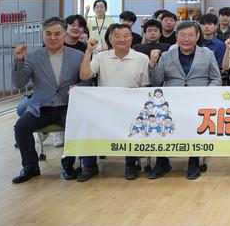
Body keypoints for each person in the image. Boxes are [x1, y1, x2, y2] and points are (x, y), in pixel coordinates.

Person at [11, 17, 85, 184]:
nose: (52, 38)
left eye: (57, 34)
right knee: (21, 127)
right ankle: (30, 167)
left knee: (77, 125)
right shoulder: (32, 56)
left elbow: (86, 79)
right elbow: (19, 83)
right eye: (48, 34)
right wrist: (19, 61)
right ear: (43, 35)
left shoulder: (77, 55)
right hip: (41, 106)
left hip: (67, 105)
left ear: (64, 34)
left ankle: (68, 165)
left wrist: (79, 86)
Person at [148, 21, 221, 180]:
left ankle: (193, 162)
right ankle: (162, 162)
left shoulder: (207, 54)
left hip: (199, 102)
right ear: (176, 36)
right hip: (172, 102)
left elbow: (216, 79)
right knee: (162, 125)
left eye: (190, 35)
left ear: (197, 36)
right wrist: (152, 64)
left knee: (195, 126)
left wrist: (206, 93)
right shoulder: (166, 55)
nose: (186, 39)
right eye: (182, 35)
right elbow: (156, 81)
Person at [78, 24, 152, 181]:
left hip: (131, 107)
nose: (121, 39)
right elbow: (84, 76)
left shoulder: (142, 58)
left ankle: (131, 164)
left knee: (135, 121)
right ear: (110, 39)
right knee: (87, 120)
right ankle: (89, 165)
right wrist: (88, 51)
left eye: (126, 35)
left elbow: (145, 86)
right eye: (117, 36)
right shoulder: (100, 57)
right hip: (105, 107)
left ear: (131, 38)